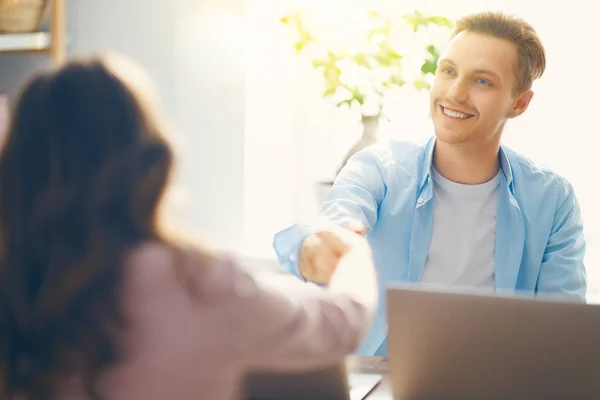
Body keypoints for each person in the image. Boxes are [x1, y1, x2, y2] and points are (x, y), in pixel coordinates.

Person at [0, 54, 378, 400]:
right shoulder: (199, 282)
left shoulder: (20, 283)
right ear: (150, 160)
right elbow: (342, 324)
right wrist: (353, 253)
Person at [273, 11, 587, 357]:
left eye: (482, 81)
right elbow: (332, 224)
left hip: (499, 383)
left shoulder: (552, 199)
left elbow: (564, 331)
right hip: (380, 378)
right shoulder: (379, 169)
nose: (454, 93)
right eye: (448, 71)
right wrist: (313, 248)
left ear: (519, 103)